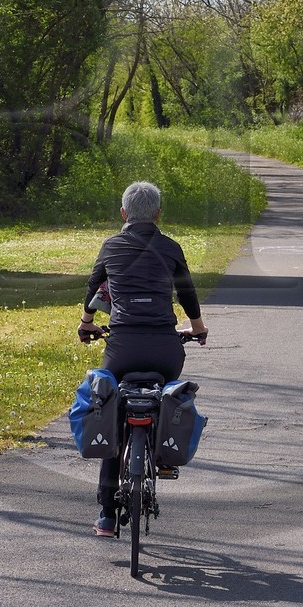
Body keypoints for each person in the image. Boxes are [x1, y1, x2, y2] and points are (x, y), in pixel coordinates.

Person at [79, 180, 207, 538]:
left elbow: (93, 288)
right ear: (158, 214)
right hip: (166, 349)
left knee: (110, 405)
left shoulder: (111, 246)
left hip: (122, 348)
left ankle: (106, 513)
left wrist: (86, 324)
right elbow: (187, 292)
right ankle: (164, 458)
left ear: (123, 214)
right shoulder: (170, 247)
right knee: (167, 391)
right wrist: (197, 328)